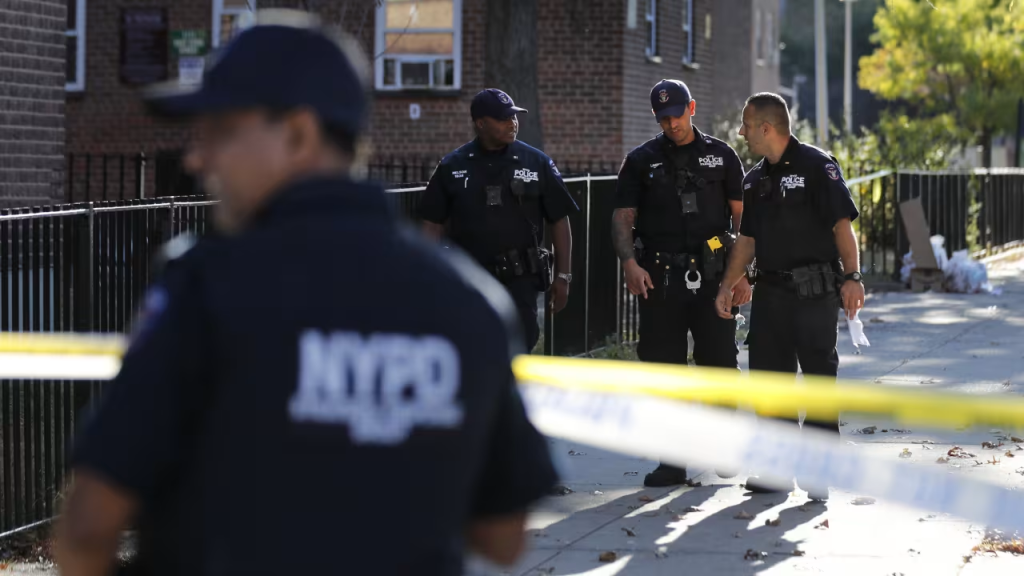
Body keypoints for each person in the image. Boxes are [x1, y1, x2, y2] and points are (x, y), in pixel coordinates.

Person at [53, 11, 558, 576]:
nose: (197, 158)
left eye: (220, 131)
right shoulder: (469, 302)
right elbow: (503, 537)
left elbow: (89, 526)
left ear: (297, 133)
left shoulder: (207, 283)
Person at [715, 92, 865, 500]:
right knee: (768, 382)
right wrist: (730, 284)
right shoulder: (754, 179)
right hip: (771, 294)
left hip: (814, 292)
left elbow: (841, 227)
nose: (742, 132)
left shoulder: (818, 166)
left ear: (767, 128)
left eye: (747, 125)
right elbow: (747, 240)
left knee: (818, 380)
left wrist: (853, 276)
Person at [611, 79, 751, 488]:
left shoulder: (721, 157)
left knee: (720, 365)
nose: (670, 124)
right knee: (662, 369)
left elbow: (744, 222)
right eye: (663, 118)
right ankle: (671, 462)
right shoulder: (641, 160)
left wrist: (742, 276)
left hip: (714, 279)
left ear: (692, 107)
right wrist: (629, 263)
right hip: (660, 279)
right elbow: (622, 218)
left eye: (676, 115)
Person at [419, 88, 578, 352]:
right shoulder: (452, 166)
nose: (512, 123)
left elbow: (559, 220)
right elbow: (431, 224)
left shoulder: (536, 163)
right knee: (470, 351)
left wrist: (563, 276)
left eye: (514, 116)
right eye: (503, 118)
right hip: (468, 279)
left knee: (518, 351)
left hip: (520, 280)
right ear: (481, 123)